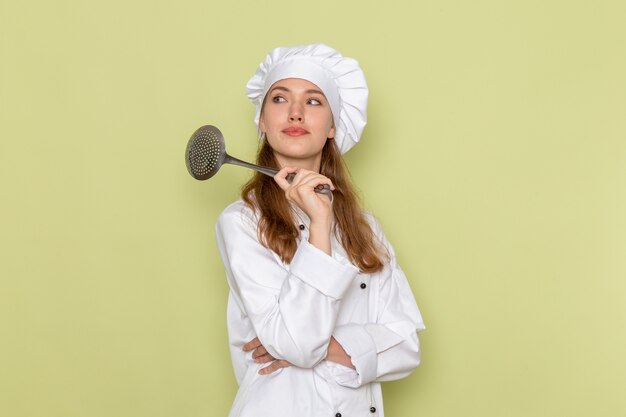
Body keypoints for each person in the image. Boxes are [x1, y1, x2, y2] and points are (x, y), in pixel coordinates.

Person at [215, 43, 425, 417]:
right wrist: (321, 225)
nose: (295, 112)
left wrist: (328, 347)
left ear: (332, 126)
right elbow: (297, 344)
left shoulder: (364, 227)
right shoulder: (242, 222)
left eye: (313, 101)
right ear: (262, 121)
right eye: (279, 99)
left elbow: (407, 345)